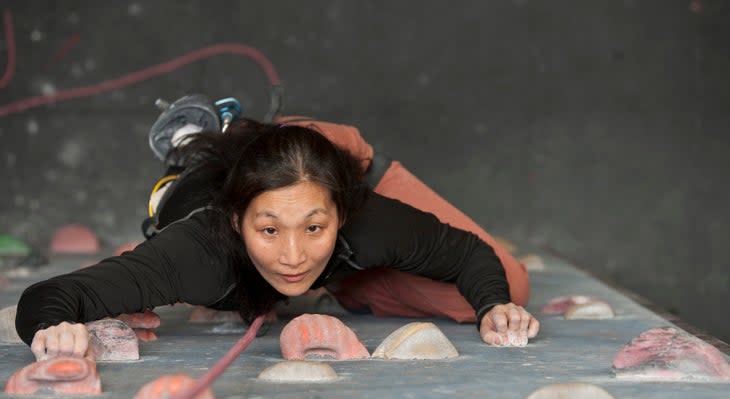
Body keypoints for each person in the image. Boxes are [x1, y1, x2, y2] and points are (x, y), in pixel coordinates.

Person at [15, 117, 539, 361]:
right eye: (269, 231)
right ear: (238, 222)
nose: (292, 257)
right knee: (143, 274)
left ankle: (342, 264)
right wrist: (54, 329)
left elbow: (470, 254)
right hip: (201, 187)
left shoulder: (368, 220)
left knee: (511, 283)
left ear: (342, 211)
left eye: (315, 228)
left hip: (321, 157)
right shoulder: (199, 253)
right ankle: (209, 137)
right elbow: (48, 297)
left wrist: (493, 303)